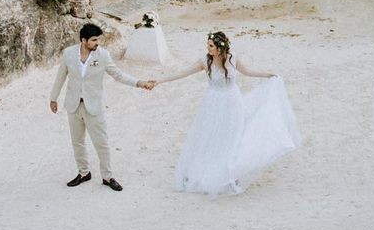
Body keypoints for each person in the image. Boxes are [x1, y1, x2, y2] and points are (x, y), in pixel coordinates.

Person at [150, 30, 300, 197]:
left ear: (220, 48)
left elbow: (248, 72)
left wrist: (268, 75)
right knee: (212, 136)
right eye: (208, 45)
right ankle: (209, 170)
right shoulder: (204, 61)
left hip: (232, 101)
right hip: (213, 103)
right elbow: (181, 73)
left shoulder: (232, 58)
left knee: (233, 135)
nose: (208, 48)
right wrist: (159, 81)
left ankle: (231, 173)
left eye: (211, 46)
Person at [49, 22, 154, 192]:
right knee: (77, 142)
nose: (97, 43)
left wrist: (139, 83)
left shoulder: (103, 56)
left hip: (93, 106)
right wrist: (53, 98)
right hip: (73, 105)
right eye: (94, 40)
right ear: (84, 40)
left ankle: (107, 176)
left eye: (98, 39)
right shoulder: (68, 54)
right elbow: (60, 76)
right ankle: (83, 173)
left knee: (102, 143)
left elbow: (118, 75)